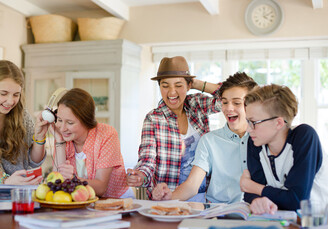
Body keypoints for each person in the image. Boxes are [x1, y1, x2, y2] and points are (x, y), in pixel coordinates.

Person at [152, 72, 257, 203]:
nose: (228, 108)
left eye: (236, 103)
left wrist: (194, 83)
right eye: (224, 102)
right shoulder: (209, 141)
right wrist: (169, 197)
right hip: (218, 215)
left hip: (255, 213)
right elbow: (191, 186)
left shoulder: (263, 139)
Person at [127, 56, 221, 201]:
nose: (171, 92)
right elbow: (147, 160)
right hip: (167, 199)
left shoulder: (196, 105)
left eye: (178, 85)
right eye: (165, 86)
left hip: (204, 197)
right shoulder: (153, 119)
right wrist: (141, 176)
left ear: (189, 86)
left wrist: (195, 82)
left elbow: (230, 97)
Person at [241, 84, 328, 214]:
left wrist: (252, 186)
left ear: (278, 123)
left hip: (314, 224)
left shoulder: (304, 136)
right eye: (247, 122)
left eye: (253, 122)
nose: (248, 129)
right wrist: (255, 197)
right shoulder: (254, 142)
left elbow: (297, 200)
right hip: (279, 219)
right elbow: (249, 194)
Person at [0, 60, 48, 191]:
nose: (10, 101)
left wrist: (40, 137)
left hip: (22, 195)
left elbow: (34, 161)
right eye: (3, 93)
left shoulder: (23, 117)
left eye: (16, 94)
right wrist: (6, 181)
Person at [52, 88, 132, 198]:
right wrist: (59, 142)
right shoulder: (63, 137)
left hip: (115, 201)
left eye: (70, 122)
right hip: (84, 203)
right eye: (60, 120)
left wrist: (72, 179)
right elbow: (57, 183)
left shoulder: (106, 134)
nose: (62, 128)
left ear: (86, 120)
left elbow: (100, 188)